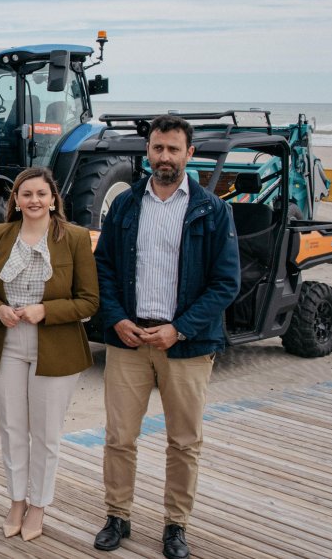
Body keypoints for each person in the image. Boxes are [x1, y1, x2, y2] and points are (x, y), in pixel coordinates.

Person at [93, 115, 240, 559]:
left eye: (174, 150)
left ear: (189, 154)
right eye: (158, 148)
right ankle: (117, 515)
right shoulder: (125, 205)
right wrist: (116, 319)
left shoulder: (212, 210)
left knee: (184, 441)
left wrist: (180, 328)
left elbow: (225, 282)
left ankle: (176, 526)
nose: (165, 157)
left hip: (187, 344)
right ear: (148, 152)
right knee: (119, 437)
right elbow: (104, 268)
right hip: (130, 339)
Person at [0, 167, 99, 541]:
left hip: (55, 348)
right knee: (12, 429)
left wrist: (46, 311)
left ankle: (39, 505)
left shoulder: (74, 237)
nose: (33, 200)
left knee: (45, 434)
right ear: (15, 199)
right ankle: (16, 500)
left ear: (53, 198)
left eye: (41, 194)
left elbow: (89, 300)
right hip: (7, 345)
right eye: (25, 194)